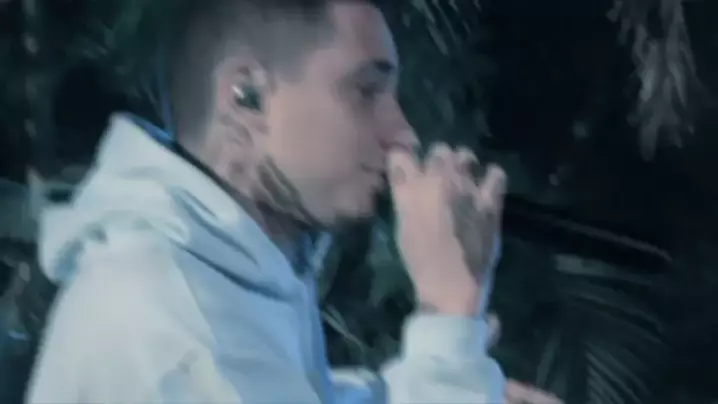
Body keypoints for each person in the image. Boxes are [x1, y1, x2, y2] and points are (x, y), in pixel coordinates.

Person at [25, 0, 515, 402]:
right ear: (245, 97)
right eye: (367, 91)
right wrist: (449, 315)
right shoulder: (178, 334)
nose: (403, 134)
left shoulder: (212, 279)